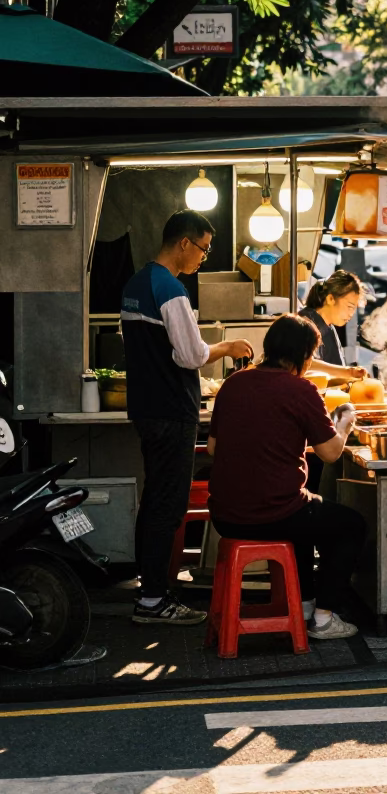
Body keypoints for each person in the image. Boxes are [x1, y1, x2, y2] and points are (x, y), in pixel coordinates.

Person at [121, 210, 253, 625]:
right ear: (183, 243)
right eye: (203, 248)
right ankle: (154, 601)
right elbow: (191, 355)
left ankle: (149, 591)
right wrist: (227, 346)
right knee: (167, 505)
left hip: (146, 408)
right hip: (171, 410)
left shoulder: (136, 283)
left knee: (154, 502)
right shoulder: (171, 289)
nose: (204, 258)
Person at [207, 313, 365, 639]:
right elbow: (330, 453)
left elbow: (212, 448)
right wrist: (345, 420)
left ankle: (304, 605)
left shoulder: (233, 383)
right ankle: (323, 618)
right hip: (273, 513)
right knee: (350, 525)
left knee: (307, 510)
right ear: (302, 355)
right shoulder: (301, 390)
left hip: (225, 515)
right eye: (310, 355)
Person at [300, 270, 370, 386]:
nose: (351, 314)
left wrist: (352, 378)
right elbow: (302, 363)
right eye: (349, 307)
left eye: (354, 309)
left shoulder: (329, 326)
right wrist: (348, 372)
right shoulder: (305, 323)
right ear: (330, 299)